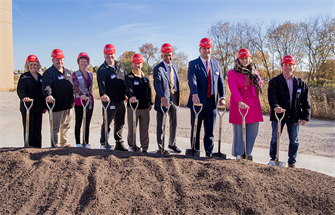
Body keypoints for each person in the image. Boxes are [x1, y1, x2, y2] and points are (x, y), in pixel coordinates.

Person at [268, 55, 311, 168]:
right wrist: (276, 106)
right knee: (275, 137)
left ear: (294, 66)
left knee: (294, 140)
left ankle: (292, 162)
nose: (288, 67)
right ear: (282, 66)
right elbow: (272, 97)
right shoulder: (274, 82)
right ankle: (273, 158)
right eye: (285, 65)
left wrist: (305, 116)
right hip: (279, 115)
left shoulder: (301, 83)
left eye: (290, 65)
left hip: (294, 116)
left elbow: (305, 101)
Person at [187, 38, 226, 157]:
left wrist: (222, 97)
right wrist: (195, 94)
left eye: (208, 48)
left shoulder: (216, 64)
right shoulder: (193, 64)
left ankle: (208, 154)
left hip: (212, 103)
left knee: (209, 131)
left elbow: (220, 82)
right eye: (204, 48)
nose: (206, 51)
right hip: (198, 102)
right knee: (196, 129)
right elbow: (192, 80)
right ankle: (195, 152)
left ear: (211, 49)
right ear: (200, 49)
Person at [228, 49, 263, 159]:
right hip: (239, 103)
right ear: (238, 59)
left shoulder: (254, 71)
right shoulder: (232, 73)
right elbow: (233, 88)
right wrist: (239, 102)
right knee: (239, 132)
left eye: (246, 58)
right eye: (242, 58)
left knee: (253, 131)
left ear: (250, 58)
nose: (245, 60)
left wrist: (258, 87)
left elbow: (260, 82)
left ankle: (247, 153)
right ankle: (239, 154)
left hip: (253, 104)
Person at [97, 44, 128, 150]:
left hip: (121, 100)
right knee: (107, 122)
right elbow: (101, 84)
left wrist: (127, 94)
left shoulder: (120, 65)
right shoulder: (102, 69)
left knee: (120, 123)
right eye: (107, 54)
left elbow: (125, 81)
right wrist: (103, 94)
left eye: (111, 54)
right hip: (110, 101)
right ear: (104, 55)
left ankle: (119, 142)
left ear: (114, 54)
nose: (109, 56)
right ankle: (104, 143)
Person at [153, 43, 181, 153]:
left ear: (172, 55)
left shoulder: (175, 66)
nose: (168, 58)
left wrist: (177, 98)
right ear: (161, 56)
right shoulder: (158, 68)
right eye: (165, 55)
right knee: (161, 124)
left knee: (174, 122)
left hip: (174, 98)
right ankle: (161, 146)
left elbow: (176, 82)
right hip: (163, 99)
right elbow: (157, 84)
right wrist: (162, 97)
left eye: (169, 55)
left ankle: (172, 144)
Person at [42, 49, 74, 148]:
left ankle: (64, 144)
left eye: (61, 59)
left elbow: (71, 86)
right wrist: (48, 95)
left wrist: (72, 100)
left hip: (68, 105)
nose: (59, 61)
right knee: (55, 128)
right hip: (56, 105)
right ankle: (54, 145)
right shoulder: (49, 73)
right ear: (53, 60)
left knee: (66, 126)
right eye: (57, 59)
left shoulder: (67, 72)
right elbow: (46, 86)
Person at [125, 54, 153, 153]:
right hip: (133, 108)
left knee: (144, 129)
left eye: (139, 63)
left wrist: (151, 102)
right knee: (132, 129)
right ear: (132, 64)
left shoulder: (145, 76)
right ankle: (132, 146)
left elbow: (149, 89)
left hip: (145, 107)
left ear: (142, 64)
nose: (137, 65)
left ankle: (144, 147)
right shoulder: (129, 76)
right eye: (136, 63)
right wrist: (131, 95)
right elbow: (129, 88)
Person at [17, 55, 45, 148]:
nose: (33, 66)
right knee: (29, 127)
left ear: (38, 66)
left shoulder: (41, 78)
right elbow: (20, 89)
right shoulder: (24, 77)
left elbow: (43, 92)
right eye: (31, 64)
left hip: (38, 106)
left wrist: (44, 106)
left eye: (35, 64)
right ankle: (28, 146)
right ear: (27, 66)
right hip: (27, 106)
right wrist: (23, 97)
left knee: (37, 128)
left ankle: (37, 147)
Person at [72, 52, 94, 147]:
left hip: (89, 101)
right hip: (79, 101)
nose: (83, 63)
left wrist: (88, 96)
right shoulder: (75, 74)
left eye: (85, 61)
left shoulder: (90, 74)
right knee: (78, 122)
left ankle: (86, 142)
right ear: (78, 62)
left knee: (87, 123)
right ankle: (78, 143)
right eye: (81, 61)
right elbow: (75, 87)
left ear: (88, 63)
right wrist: (81, 95)